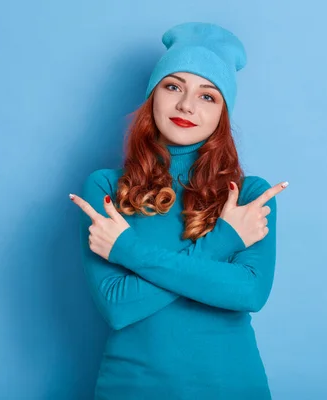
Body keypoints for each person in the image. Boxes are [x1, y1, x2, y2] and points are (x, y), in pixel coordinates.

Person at [69, 22, 288, 400]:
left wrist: (127, 250)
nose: (186, 105)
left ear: (223, 113)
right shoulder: (106, 188)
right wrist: (225, 241)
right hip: (133, 387)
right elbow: (119, 306)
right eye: (173, 87)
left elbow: (249, 293)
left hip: (232, 386)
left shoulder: (248, 195)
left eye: (208, 96)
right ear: (153, 95)